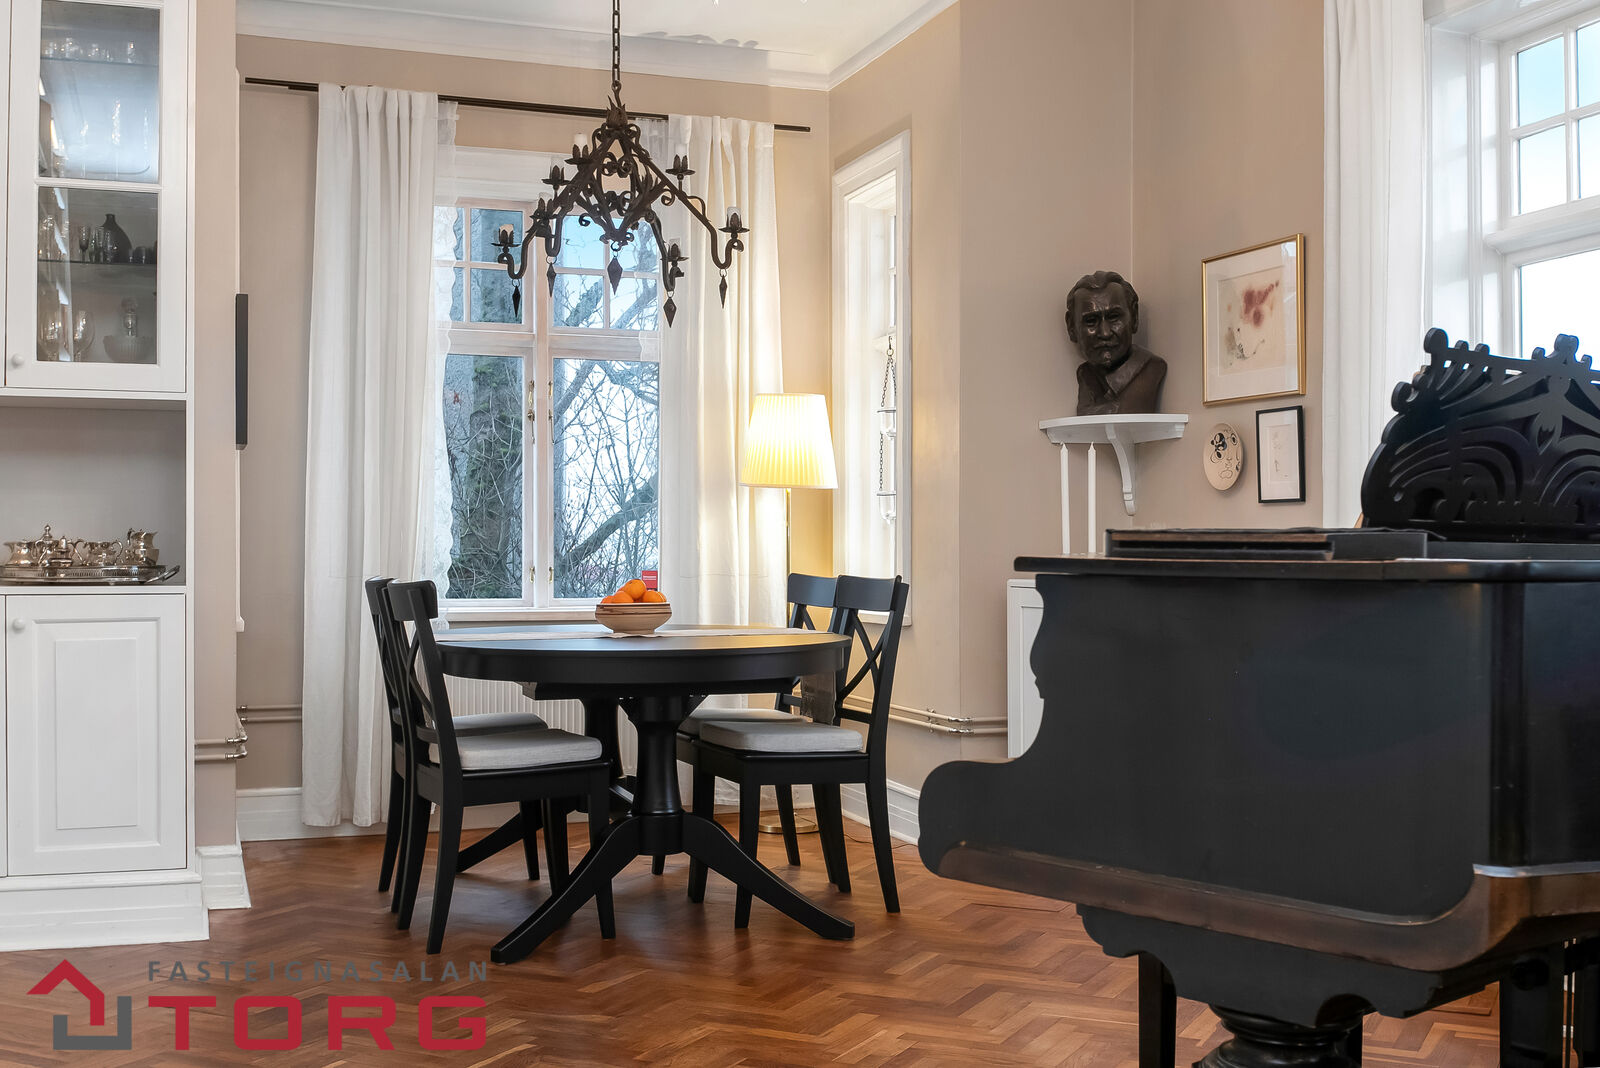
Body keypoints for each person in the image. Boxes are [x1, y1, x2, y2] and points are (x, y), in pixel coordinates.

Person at [1064, 271, 1167, 416]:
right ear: (1071, 327)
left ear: (1134, 317)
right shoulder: (1085, 374)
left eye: (1114, 317)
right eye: (1091, 321)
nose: (1105, 333)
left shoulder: (1152, 368)